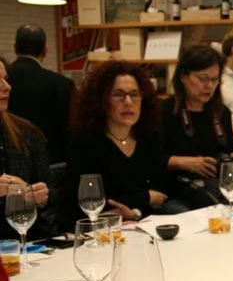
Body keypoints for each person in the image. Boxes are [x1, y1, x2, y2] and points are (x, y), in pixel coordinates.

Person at [63, 61, 182, 226]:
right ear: (101, 100)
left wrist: (134, 212)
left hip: (146, 222)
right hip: (102, 230)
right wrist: (143, 197)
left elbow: (160, 195)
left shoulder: (148, 137)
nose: (128, 102)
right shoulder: (85, 143)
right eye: (118, 94)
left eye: (134, 94)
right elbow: (87, 201)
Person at [160, 45, 233, 210]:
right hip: (177, 191)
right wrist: (184, 163)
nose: (209, 86)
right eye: (203, 78)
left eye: (214, 80)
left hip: (218, 189)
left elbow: (230, 149)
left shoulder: (221, 113)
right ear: (184, 77)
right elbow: (152, 159)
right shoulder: (165, 111)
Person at [6, 24, 74, 164]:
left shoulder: (6, 79)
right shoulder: (62, 84)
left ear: (14, 47)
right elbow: (70, 130)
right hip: (51, 162)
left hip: (7, 162)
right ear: (45, 50)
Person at [0, 58, 50, 239]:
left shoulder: (27, 133)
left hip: (26, 241)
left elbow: (51, 195)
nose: (7, 87)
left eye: (5, 79)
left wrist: (41, 196)